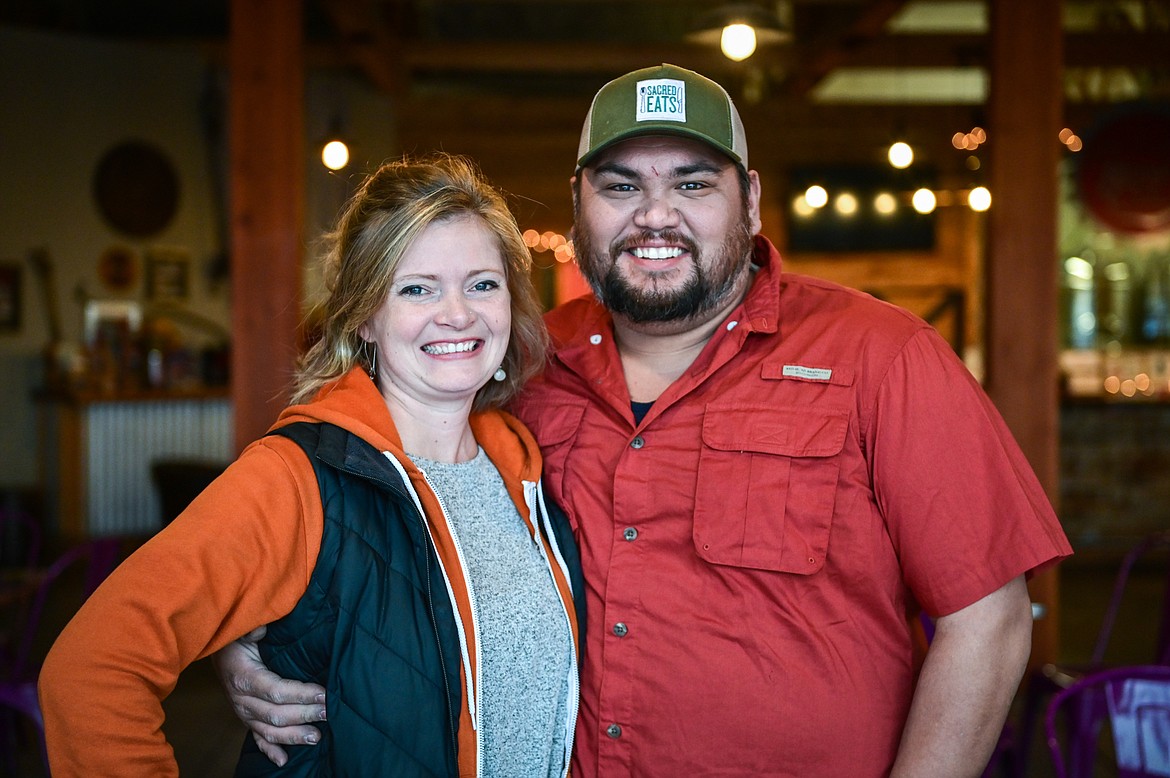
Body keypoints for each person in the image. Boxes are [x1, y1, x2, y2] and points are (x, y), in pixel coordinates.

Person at [218, 65, 1072, 776]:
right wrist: (263, 632)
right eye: (621, 186)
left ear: (751, 200)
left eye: (692, 184)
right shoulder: (509, 365)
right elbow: (365, 505)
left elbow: (988, 619)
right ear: (579, 203)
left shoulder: (880, 355)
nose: (654, 216)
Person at [38, 153, 584, 777]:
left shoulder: (524, 470)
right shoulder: (295, 477)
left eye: (482, 283)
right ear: (365, 317)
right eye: (416, 288)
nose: (457, 313)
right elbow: (91, 671)